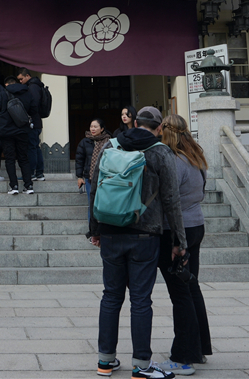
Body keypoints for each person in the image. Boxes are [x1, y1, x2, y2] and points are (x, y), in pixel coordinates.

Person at [90, 106, 187, 379]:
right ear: (158, 128)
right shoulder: (160, 152)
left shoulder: (111, 145)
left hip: (110, 231)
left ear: (134, 122)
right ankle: (142, 365)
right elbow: (171, 199)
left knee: (110, 296)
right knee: (141, 300)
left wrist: (94, 228)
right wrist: (180, 240)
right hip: (145, 234)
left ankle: (105, 361)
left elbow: (95, 186)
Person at [156, 114, 212, 375]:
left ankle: (183, 356)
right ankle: (198, 348)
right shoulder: (195, 157)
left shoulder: (174, 161)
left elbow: (171, 200)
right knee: (191, 288)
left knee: (180, 293)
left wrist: (176, 239)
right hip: (196, 223)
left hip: (178, 230)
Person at [75, 117, 109, 239]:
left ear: (102, 128)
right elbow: (79, 160)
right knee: (92, 204)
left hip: (105, 178)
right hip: (89, 178)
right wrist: (79, 176)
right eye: (91, 126)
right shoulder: (85, 142)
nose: (93, 129)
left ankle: (104, 229)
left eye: (95, 127)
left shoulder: (108, 141)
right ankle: (93, 232)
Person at [0, 76, 34, 195]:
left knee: (10, 159)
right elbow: (33, 109)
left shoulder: (4, 93)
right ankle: (28, 185)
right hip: (22, 130)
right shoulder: (28, 93)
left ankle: (14, 186)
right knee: (24, 158)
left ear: (7, 84)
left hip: (7, 131)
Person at [16, 68, 47, 181]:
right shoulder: (36, 86)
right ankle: (39, 173)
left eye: (21, 79)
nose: (20, 81)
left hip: (33, 122)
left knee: (31, 148)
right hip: (37, 122)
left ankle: (32, 173)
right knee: (35, 147)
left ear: (27, 76)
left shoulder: (32, 87)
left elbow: (32, 104)